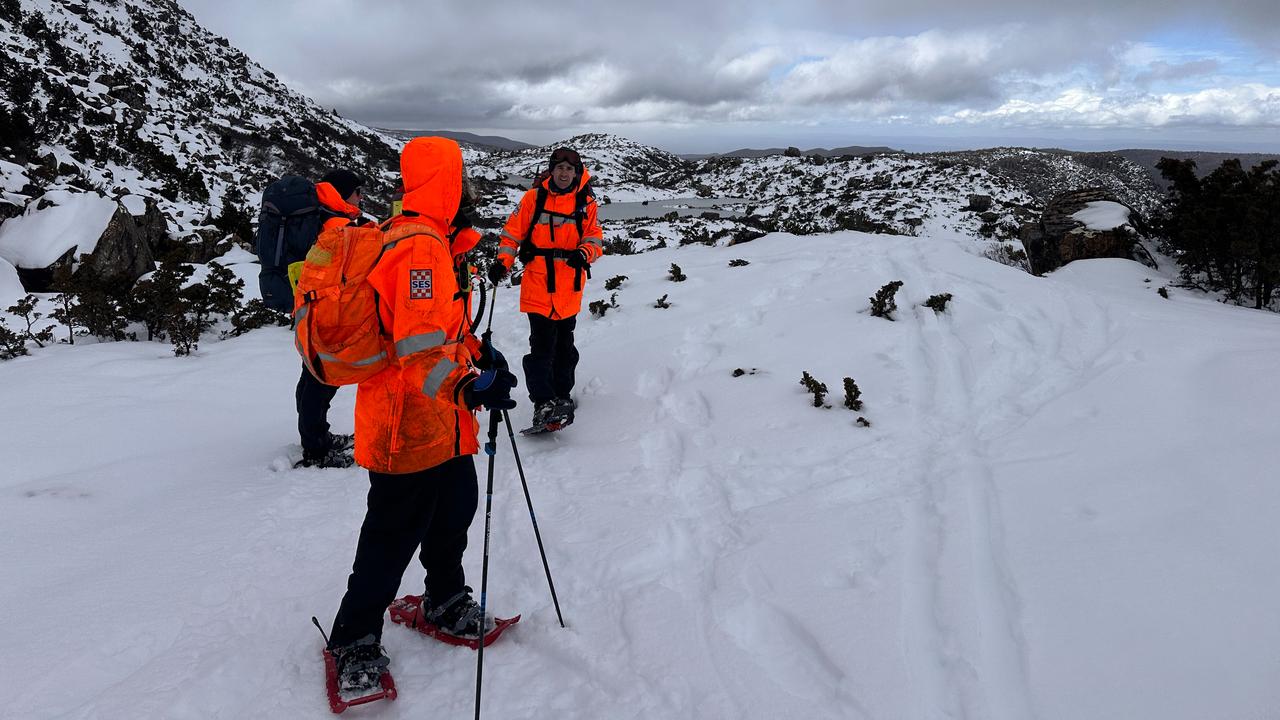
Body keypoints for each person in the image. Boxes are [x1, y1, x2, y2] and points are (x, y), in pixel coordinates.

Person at [325, 136, 518, 695]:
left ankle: (444, 600)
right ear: (446, 184)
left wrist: (478, 357)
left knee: (455, 509)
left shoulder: (433, 241)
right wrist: (469, 387)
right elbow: (415, 353)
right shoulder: (418, 248)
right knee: (392, 533)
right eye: (461, 180)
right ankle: (353, 637)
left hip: (443, 423)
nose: (469, 192)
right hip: (404, 424)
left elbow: (437, 331)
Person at [487, 147, 603, 430]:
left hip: (569, 286)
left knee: (565, 348)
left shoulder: (586, 203)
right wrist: (502, 262)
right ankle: (543, 402)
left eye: (569, 169)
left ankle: (562, 397)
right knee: (541, 348)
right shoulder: (532, 198)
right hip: (538, 285)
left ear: (577, 173)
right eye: (560, 168)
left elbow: (594, 237)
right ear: (551, 170)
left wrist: (585, 253)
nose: (564, 173)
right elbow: (511, 233)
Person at [294, 169, 367, 468]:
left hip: (311, 309)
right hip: (326, 312)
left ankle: (318, 436)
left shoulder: (325, 217)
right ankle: (315, 450)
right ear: (342, 193)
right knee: (321, 379)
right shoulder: (337, 224)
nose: (361, 196)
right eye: (357, 191)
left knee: (311, 375)